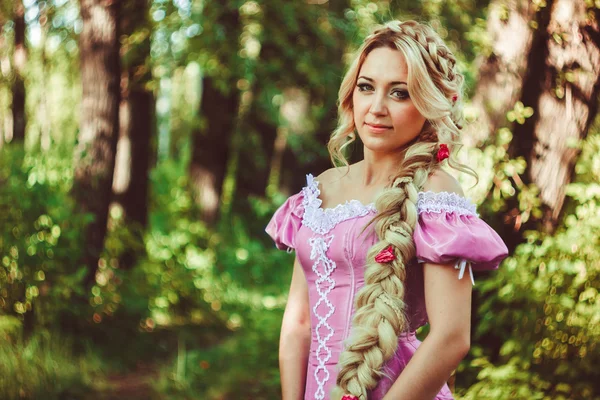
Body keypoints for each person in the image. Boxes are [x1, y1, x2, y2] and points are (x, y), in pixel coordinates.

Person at [265, 20, 509, 400]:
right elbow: (298, 323)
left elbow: (451, 338)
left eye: (400, 93)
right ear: (351, 94)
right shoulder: (322, 188)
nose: (376, 108)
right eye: (366, 87)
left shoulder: (436, 194)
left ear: (428, 103)